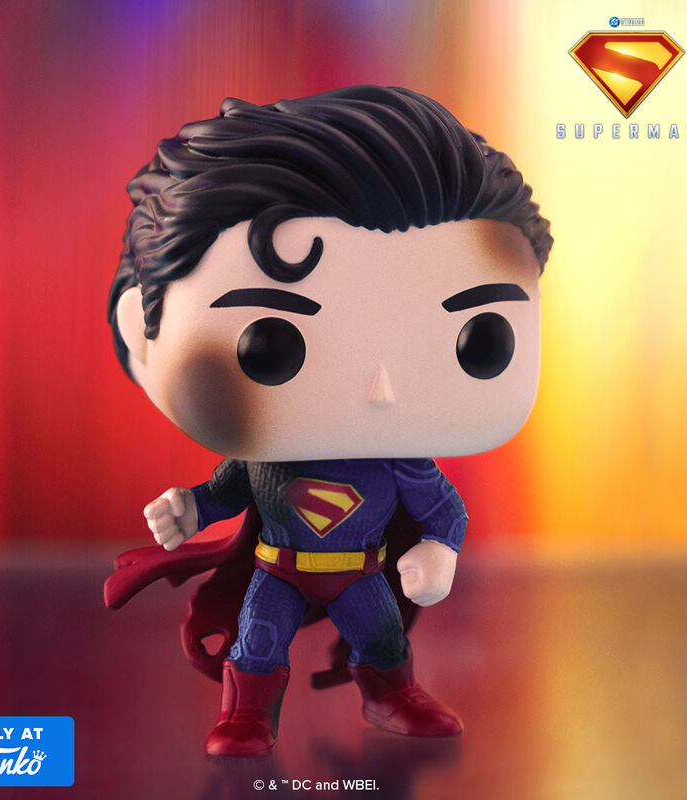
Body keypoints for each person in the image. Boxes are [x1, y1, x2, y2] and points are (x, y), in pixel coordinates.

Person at [105, 85, 552, 757]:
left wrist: (439, 552)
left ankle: (391, 695)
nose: (381, 388)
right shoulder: (266, 459)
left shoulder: (401, 462)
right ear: (139, 333)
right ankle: (245, 714)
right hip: (279, 569)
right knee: (259, 640)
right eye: (270, 342)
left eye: (480, 340)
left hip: (362, 572)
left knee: (382, 639)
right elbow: (226, 492)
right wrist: (188, 509)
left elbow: (443, 511)